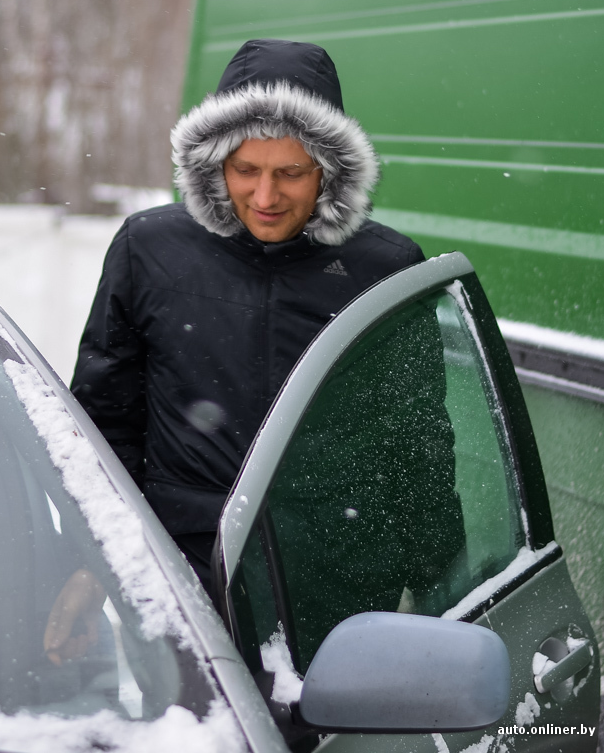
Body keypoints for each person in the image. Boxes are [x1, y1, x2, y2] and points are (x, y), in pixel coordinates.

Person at [43, 39, 460, 666]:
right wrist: (84, 563)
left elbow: (416, 438)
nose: (265, 196)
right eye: (245, 170)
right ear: (214, 164)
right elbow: (104, 423)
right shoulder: (150, 250)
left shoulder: (384, 267)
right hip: (184, 578)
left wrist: (443, 585)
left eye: (290, 172)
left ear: (330, 170)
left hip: (338, 588)